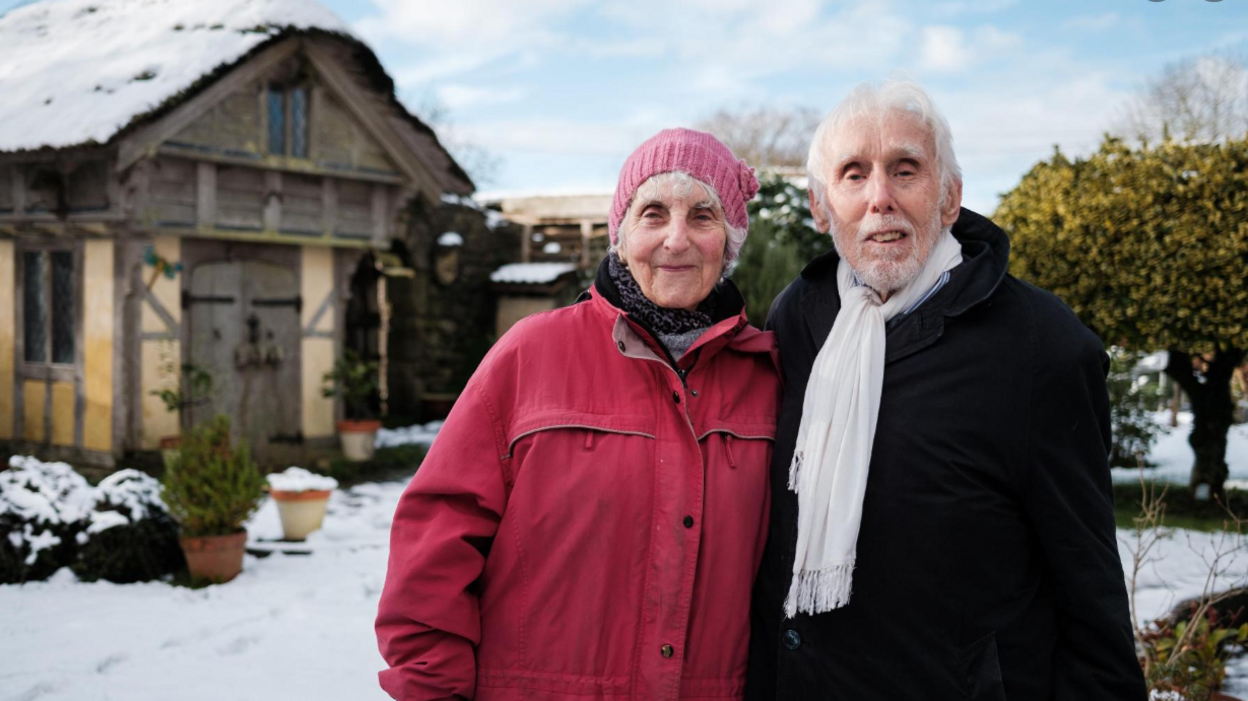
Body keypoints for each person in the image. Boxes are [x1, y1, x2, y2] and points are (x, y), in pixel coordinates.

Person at [745, 81, 1148, 700]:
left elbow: (1090, 591)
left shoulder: (1041, 346)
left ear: (951, 196)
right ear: (820, 207)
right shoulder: (799, 318)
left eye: (905, 170)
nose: (880, 198)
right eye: (853, 175)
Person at [377, 128, 780, 701]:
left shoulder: (766, 377)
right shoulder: (530, 353)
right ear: (621, 234)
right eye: (653, 213)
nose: (675, 239)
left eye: (703, 216)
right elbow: (437, 536)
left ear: (731, 240)